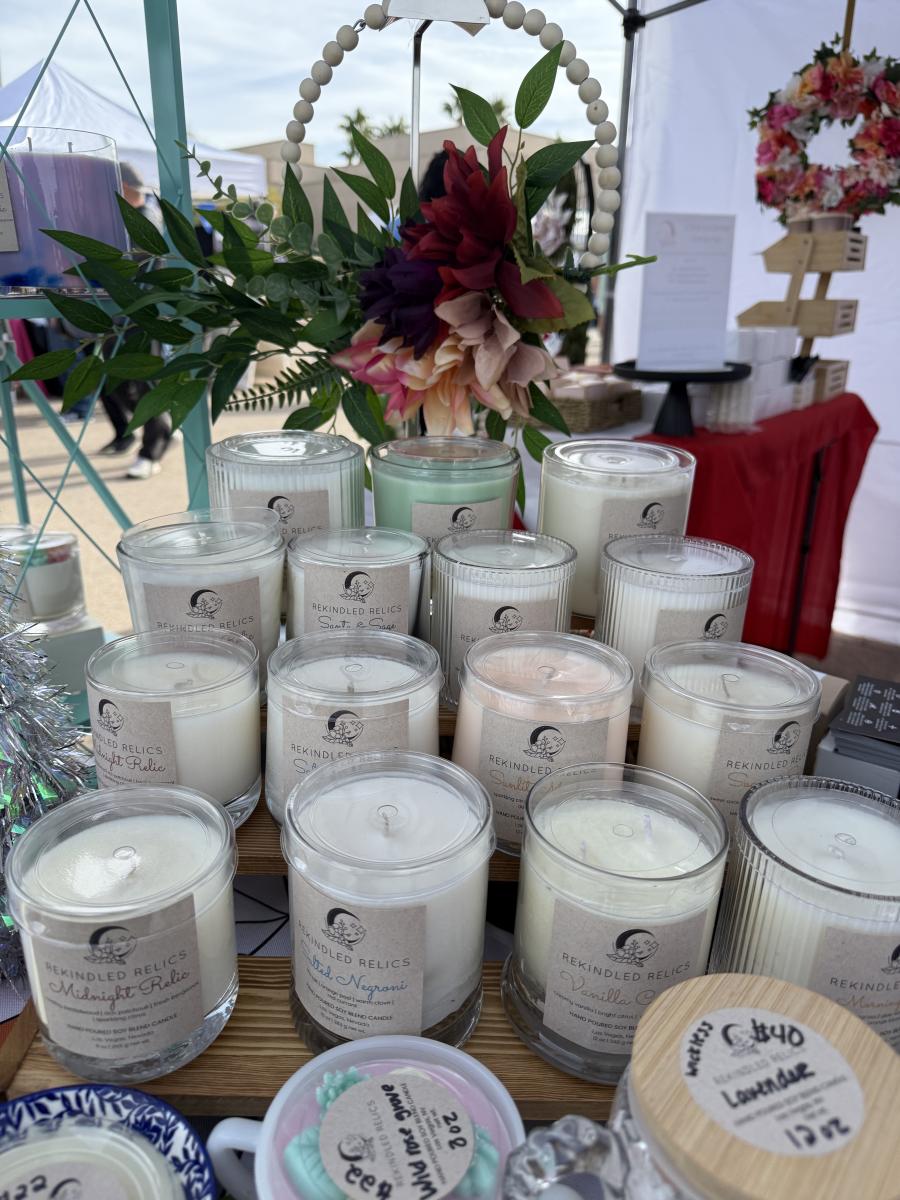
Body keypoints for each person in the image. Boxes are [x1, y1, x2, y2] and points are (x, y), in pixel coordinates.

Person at [98, 163, 172, 478]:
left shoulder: (145, 219)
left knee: (145, 381)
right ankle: (151, 428)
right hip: (121, 315)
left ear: (125, 187)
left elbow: (141, 270)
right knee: (113, 378)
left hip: (141, 315)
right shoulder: (127, 220)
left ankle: (152, 450)